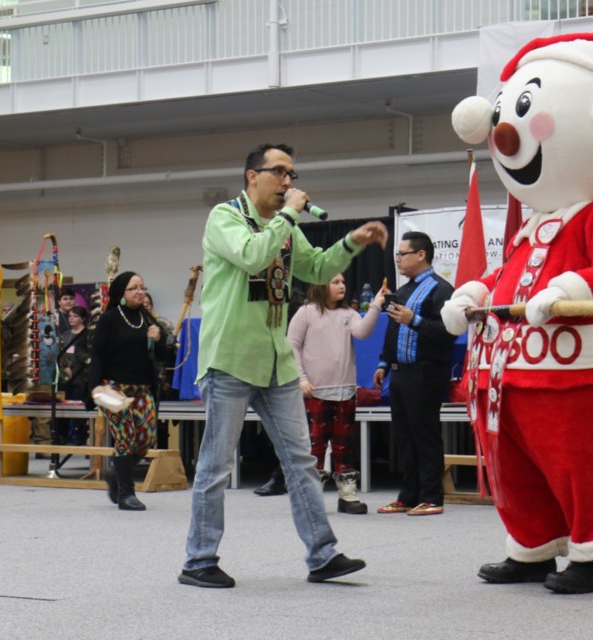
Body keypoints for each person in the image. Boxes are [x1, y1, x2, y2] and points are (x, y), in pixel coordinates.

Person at [445, 33, 593, 594]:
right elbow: (510, 278)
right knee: (517, 463)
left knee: (585, 461)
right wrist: (475, 294)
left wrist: (571, 288)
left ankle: (592, 556)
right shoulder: (533, 226)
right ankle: (531, 548)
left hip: (588, 367)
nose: (506, 133)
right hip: (520, 371)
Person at [180, 142, 388, 589]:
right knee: (216, 465)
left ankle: (322, 554)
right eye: (280, 172)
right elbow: (254, 254)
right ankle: (198, 560)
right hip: (231, 360)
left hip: (277, 364)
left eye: (292, 174)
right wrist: (289, 215)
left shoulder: (285, 228)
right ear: (252, 176)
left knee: (302, 461)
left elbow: (316, 269)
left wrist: (353, 241)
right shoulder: (225, 217)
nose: (289, 182)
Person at [277, 273, 385, 513]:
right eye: (335, 282)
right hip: (315, 391)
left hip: (345, 391)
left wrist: (376, 305)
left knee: (344, 445)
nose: (342, 286)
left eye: (344, 282)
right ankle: (310, 498)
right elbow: (291, 344)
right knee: (314, 446)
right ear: (320, 285)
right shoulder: (306, 312)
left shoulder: (349, 314)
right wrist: (301, 378)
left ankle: (347, 496)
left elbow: (362, 332)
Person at [373, 231, 456, 517]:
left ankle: (433, 496)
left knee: (425, 435)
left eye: (403, 253)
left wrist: (416, 320)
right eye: (397, 253)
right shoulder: (404, 290)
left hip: (426, 372)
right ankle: (408, 495)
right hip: (399, 373)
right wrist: (384, 363)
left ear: (421, 255)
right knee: (404, 436)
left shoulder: (441, 289)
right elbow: (393, 329)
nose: (397, 258)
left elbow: (449, 333)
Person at [88, 272, 166, 511]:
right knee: (125, 438)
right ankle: (126, 493)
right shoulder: (110, 319)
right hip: (115, 390)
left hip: (143, 389)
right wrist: (95, 385)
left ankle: (116, 474)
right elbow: (97, 355)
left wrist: (160, 338)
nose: (140, 292)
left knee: (145, 441)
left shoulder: (148, 319)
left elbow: (163, 357)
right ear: (122, 293)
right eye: (134, 288)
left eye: (142, 287)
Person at [58, 305, 90, 445]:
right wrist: (65, 367)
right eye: (70, 316)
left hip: (82, 376)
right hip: (66, 377)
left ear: (83, 318)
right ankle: (62, 437)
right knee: (63, 409)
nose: (71, 318)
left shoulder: (88, 335)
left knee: (80, 409)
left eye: (75, 316)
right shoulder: (64, 335)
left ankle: (80, 437)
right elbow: (60, 354)